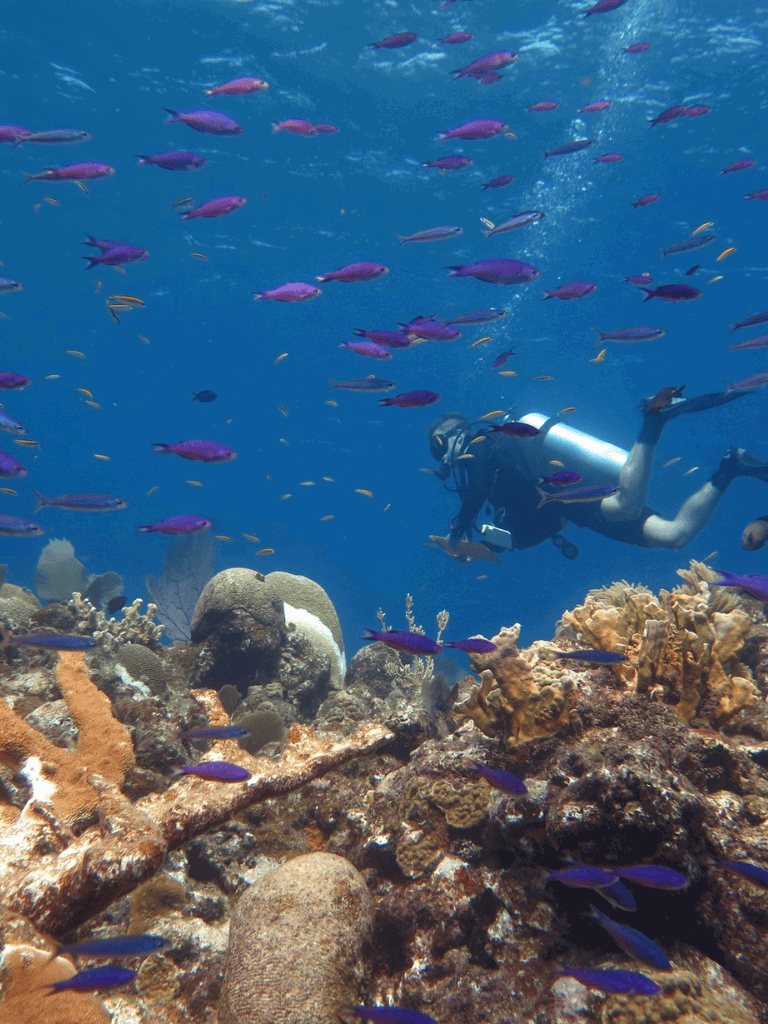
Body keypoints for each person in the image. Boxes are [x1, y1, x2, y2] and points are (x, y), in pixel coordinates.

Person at [427, 388, 768, 560]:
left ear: (447, 440)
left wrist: (457, 533)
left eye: (438, 449)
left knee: (627, 507)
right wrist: (483, 542)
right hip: (570, 506)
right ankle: (731, 465)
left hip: (572, 490)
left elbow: (475, 493)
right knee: (674, 536)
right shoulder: (496, 455)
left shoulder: (483, 444)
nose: (447, 463)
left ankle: (653, 418)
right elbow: (521, 535)